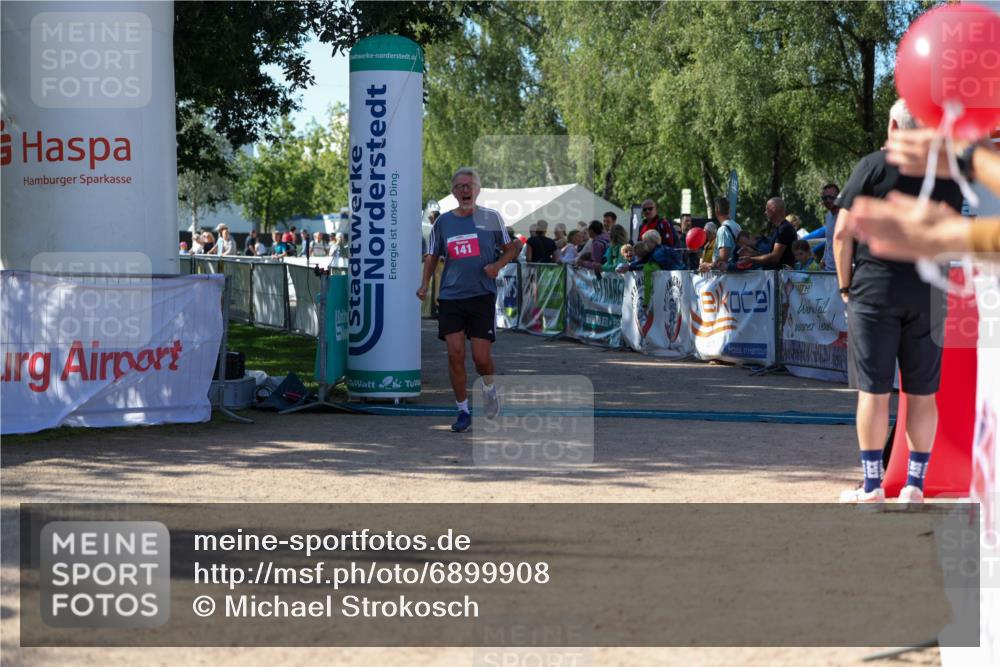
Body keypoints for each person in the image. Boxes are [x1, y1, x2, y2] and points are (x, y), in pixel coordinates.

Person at [832, 99, 964, 504]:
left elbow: (841, 235)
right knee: (923, 393)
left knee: (873, 392)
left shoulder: (872, 165)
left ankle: (872, 486)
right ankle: (915, 486)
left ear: (893, 124)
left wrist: (845, 287)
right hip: (929, 292)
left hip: (875, 290)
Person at [417, 167, 521, 433]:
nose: (465, 190)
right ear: (453, 192)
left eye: (469, 186)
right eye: (460, 187)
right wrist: (424, 285)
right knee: (455, 354)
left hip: (481, 295)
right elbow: (431, 256)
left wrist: (497, 265)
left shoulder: (491, 218)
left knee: (481, 358)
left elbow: (512, 248)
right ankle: (462, 410)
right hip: (451, 296)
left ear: (477, 190)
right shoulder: (442, 223)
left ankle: (489, 389)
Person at [744, 198, 796, 269]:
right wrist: (753, 254)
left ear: (773, 209)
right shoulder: (779, 228)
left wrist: (751, 259)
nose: (765, 212)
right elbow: (771, 254)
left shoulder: (785, 229)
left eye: (767, 209)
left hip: (782, 276)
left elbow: (775, 257)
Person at [820, 183, 840, 271]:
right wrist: (824, 258)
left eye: (831, 197)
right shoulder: (828, 216)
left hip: (844, 270)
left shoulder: (847, 215)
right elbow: (829, 241)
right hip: (828, 269)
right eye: (824, 198)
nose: (828, 200)